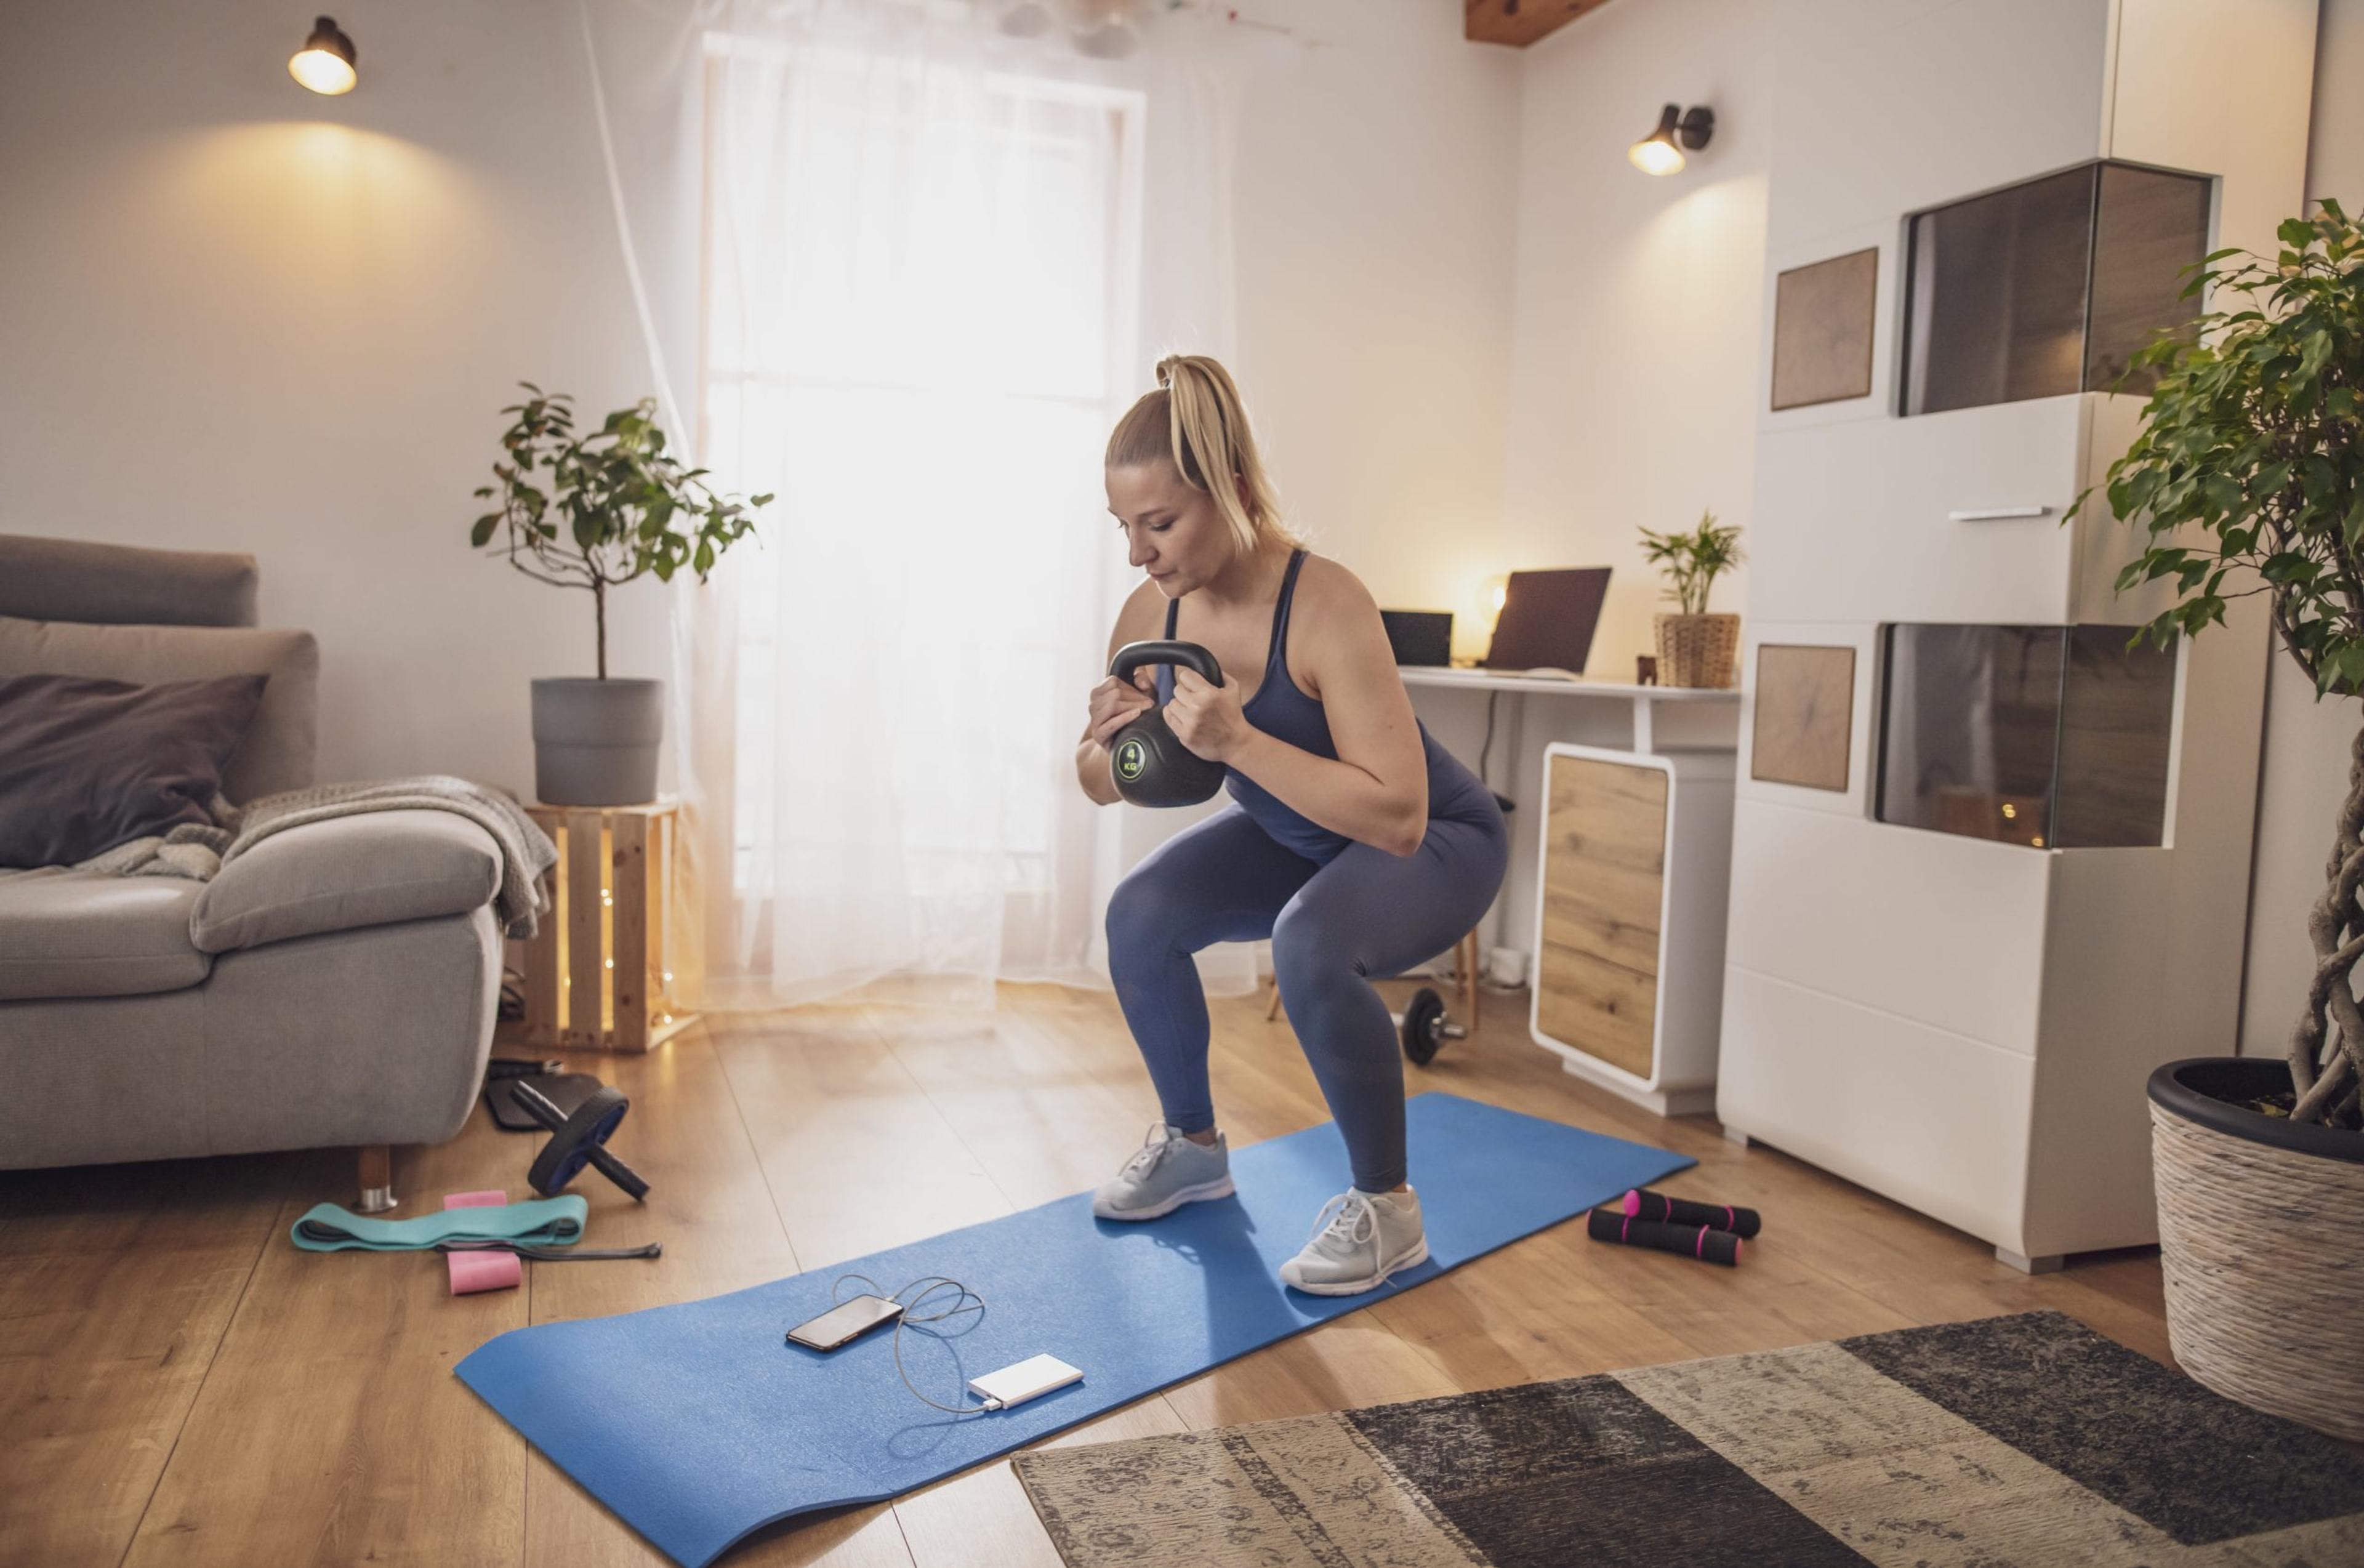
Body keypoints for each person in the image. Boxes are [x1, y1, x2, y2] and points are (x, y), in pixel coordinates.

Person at [1075, 354, 1510, 1296]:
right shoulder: (1152, 608)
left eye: (1159, 523)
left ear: (1229, 493)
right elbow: (1100, 780)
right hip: (1296, 834)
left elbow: (1397, 816)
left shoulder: (1325, 604)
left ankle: (1388, 1211)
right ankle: (1193, 1150)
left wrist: (1234, 739)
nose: (1138, 553)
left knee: (1307, 940)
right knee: (1141, 915)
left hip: (1440, 842)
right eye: (1124, 527)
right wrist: (1110, 750)